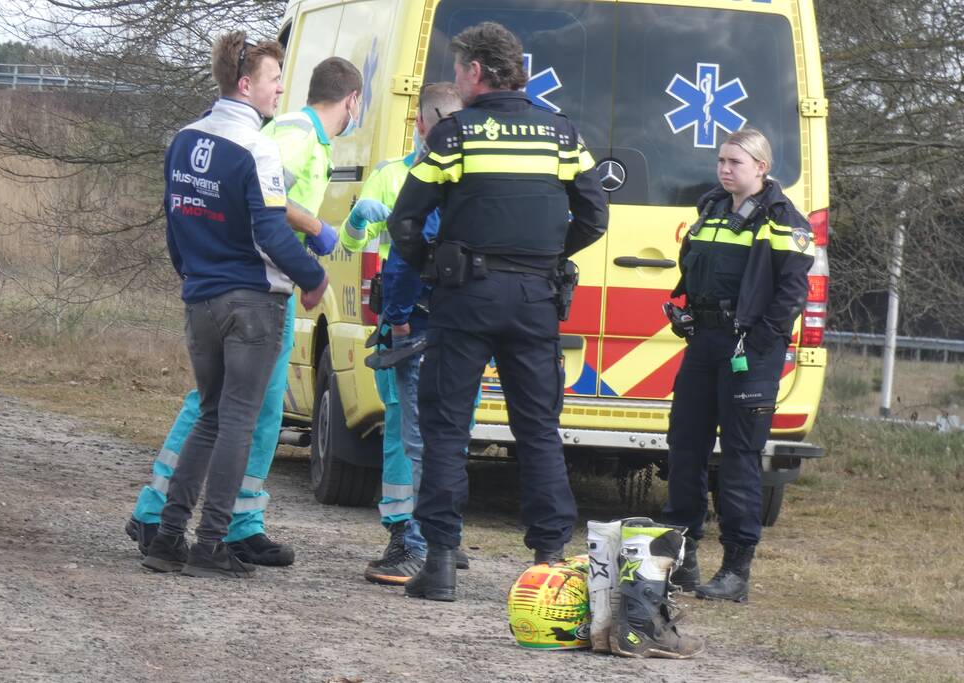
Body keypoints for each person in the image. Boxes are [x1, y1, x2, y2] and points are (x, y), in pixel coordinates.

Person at [388, 22, 609, 602]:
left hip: (466, 298)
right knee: (538, 430)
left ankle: (438, 564)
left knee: (446, 429)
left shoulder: (454, 135)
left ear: (477, 72)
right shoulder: (561, 135)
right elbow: (594, 215)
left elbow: (405, 221)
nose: (456, 78)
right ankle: (550, 563)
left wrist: (436, 266)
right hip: (537, 301)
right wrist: (548, 257)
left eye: (459, 68)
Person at [128, 55, 362, 568]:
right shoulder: (266, 143)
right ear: (246, 83)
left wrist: (188, 271)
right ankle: (207, 538)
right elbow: (269, 223)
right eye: (275, 79)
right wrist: (313, 270)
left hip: (204, 293)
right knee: (235, 419)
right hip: (253, 296)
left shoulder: (188, 137)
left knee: (223, 415)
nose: (281, 88)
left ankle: (183, 533)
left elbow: (176, 214)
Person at [661, 127, 814, 602]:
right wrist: (683, 307)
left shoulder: (785, 219)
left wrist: (761, 340)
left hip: (750, 353)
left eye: (735, 163)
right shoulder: (710, 209)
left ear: (761, 168)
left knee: (740, 458)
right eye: (721, 161)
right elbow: (695, 268)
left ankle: (735, 571)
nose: (725, 169)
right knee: (684, 446)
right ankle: (681, 560)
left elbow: (792, 291)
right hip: (704, 342)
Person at [339, 83, 468, 585]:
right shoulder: (392, 175)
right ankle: (427, 534)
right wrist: (357, 220)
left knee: (420, 437)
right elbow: (355, 241)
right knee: (421, 433)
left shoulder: (445, 175)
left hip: (415, 319)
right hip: (437, 322)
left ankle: (418, 538)